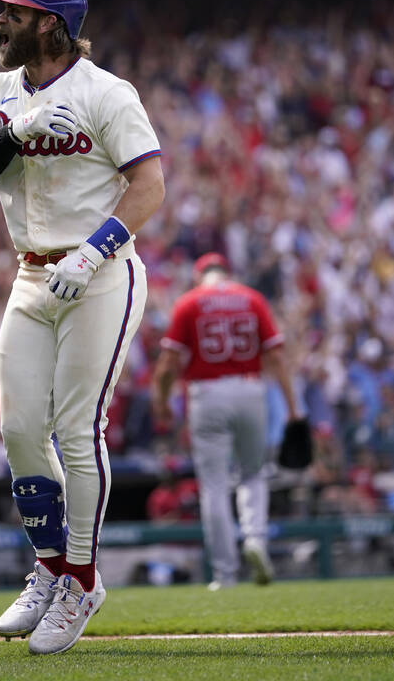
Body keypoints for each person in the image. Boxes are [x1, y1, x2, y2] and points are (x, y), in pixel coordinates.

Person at [0, 0, 164, 654]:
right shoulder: (0, 89)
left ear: (50, 21)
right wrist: (17, 133)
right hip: (31, 273)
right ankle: (48, 568)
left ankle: (80, 580)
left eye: (14, 11)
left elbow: (149, 184)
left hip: (98, 273)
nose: (1, 22)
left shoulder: (108, 92)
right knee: (19, 430)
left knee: (77, 430)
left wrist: (96, 250)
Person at [151, 252, 302, 590]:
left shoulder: (189, 302)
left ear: (198, 275)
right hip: (251, 389)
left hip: (207, 394)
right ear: (226, 273)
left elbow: (167, 365)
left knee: (214, 486)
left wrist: (161, 404)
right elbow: (276, 357)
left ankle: (225, 573)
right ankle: (255, 541)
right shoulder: (252, 298)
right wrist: (293, 407)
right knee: (253, 474)